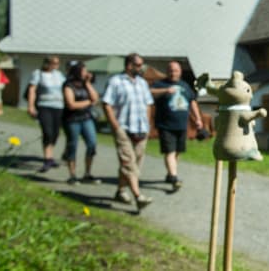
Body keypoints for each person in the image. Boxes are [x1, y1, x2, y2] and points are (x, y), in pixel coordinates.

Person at [102, 53, 154, 210]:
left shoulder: (142, 83)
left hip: (141, 129)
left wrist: (148, 124)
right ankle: (139, 196)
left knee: (135, 164)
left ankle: (120, 191)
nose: (141, 68)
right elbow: (106, 104)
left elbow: (148, 104)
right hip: (123, 128)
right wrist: (115, 126)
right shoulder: (116, 82)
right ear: (129, 65)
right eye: (138, 65)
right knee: (128, 163)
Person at [150, 61, 203, 190]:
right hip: (165, 125)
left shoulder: (185, 85)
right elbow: (150, 92)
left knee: (177, 152)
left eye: (176, 70)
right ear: (167, 71)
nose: (173, 73)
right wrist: (165, 90)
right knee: (170, 151)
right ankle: (174, 177)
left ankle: (170, 174)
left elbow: (192, 102)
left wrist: (198, 119)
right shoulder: (160, 84)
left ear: (180, 72)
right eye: (171, 70)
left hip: (181, 125)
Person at [62, 61, 100, 185]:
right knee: (72, 145)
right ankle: (72, 175)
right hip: (72, 120)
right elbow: (71, 104)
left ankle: (87, 173)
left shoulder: (85, 85)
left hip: (86, 117)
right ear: (78, 72)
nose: (87, 73)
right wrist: (88, 102)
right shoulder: (68, 85)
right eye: (84, 71)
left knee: (92, 143)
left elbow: (95, 97)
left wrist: (88, 83)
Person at [27, 56, 65, 172]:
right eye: (53, 63)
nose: (55, 65)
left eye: (57, 63)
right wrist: (31, 106)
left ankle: (50, 155)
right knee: (47, 132)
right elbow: (32, 90)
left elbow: (65, 88)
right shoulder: (38, 74)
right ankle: (47, 158)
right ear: (47, 63)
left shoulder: (59, 75)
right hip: (44, 106)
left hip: (59, 106)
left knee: (55, 133)